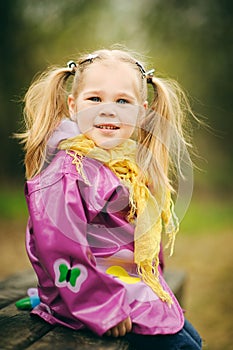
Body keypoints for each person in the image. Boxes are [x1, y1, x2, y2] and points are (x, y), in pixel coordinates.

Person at [17, 48, 202, 349]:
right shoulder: (69, 170)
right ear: (73, 106)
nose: (108, 110)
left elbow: (135, 235)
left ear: (141, 112)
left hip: (124, 285)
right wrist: (102, 307)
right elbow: (60, 249)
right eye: (95, 99)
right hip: (93, 299)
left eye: (122, 101)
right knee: (184, 346)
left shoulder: (123, 163)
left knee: (191, 337)